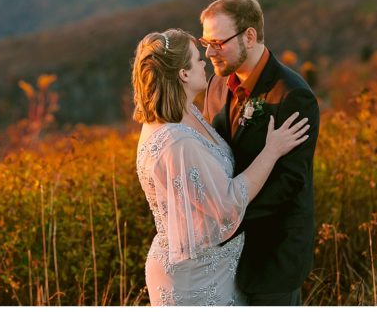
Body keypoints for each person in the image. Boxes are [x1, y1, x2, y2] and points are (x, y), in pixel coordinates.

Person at [132, 28, 310, 305]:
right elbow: (226, 205)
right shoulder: (177, 142)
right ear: (183, 74)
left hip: (216, 267)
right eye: (196, 59)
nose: (205, 61)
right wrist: (272, 150)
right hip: (196, 277)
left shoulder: (186, 113)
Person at [200, 0, 320, 306]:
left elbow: (291, 180)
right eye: (205, 42)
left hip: (273, 254)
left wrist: (228, 218)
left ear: (249, 36)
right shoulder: (215, 84)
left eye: (218, 42)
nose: (210, 52)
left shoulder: (292, 95)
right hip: (224, 255)